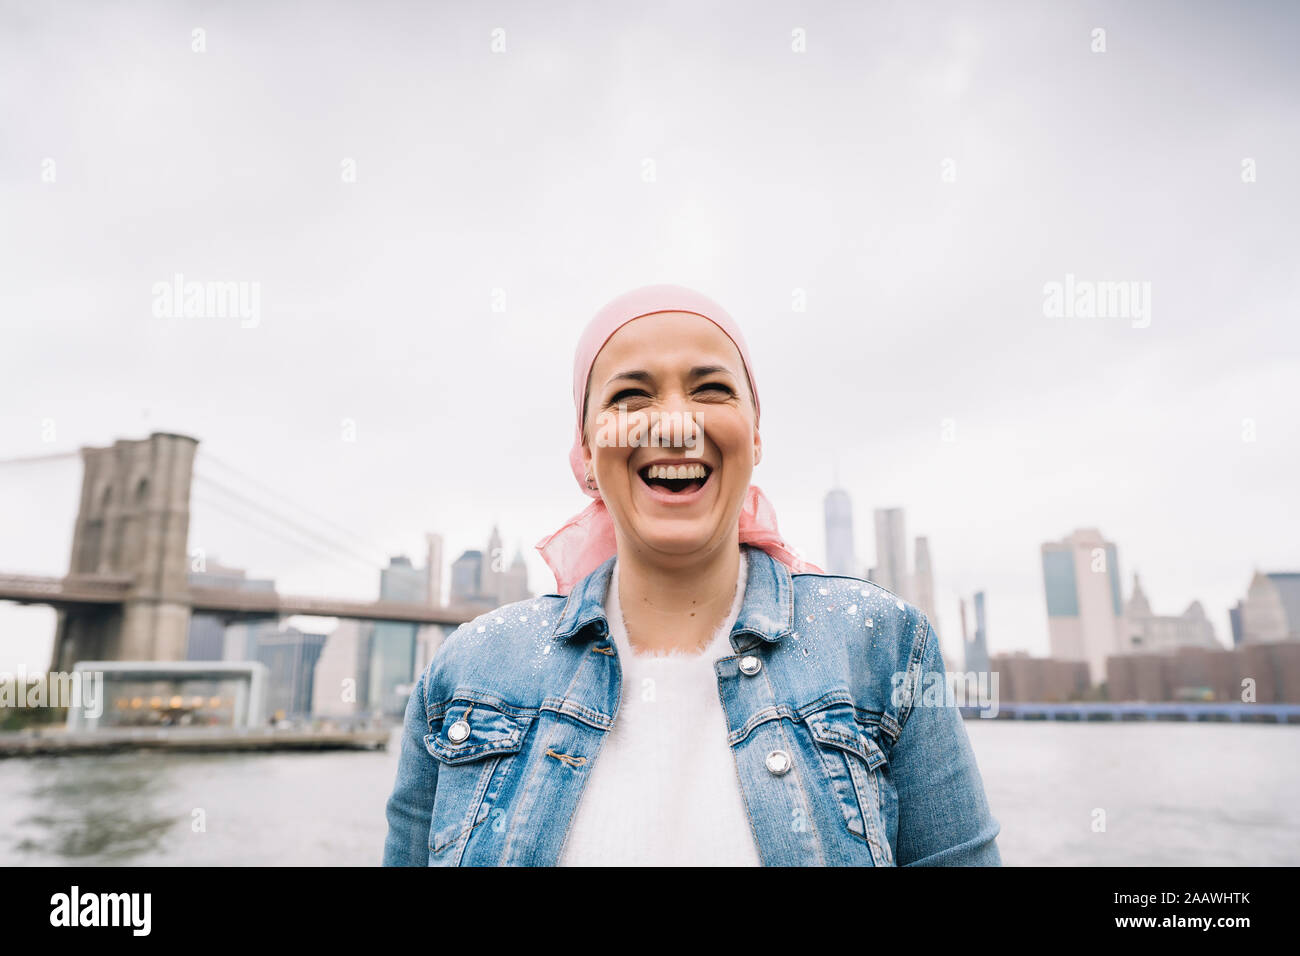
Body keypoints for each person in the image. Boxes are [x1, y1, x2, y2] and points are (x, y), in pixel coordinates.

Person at [383, 283, 1001, 866]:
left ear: (754, 435)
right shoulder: (466, 673)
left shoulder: (885, 648)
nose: (676, 423)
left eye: (710, 390)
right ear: (588, 451)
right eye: (631, 396)